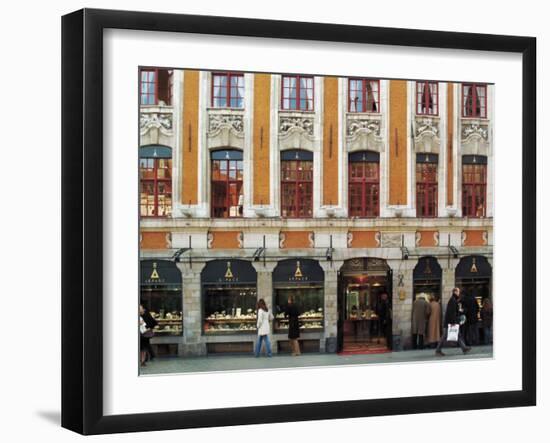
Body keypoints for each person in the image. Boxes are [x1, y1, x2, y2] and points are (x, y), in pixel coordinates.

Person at [435, 288, 471, 356]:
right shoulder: (453, 300)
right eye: (458, 291)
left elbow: (454, 312)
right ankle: (438, 350)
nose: (459, 293)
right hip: (451, 322)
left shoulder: (454, 300)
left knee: (458, 335)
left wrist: (460, 311)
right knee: (444, 336)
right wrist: (453, 322)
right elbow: (451, 313)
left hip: (451, 321)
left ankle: (464, 348)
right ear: (455, 292)